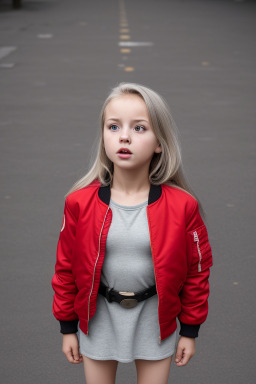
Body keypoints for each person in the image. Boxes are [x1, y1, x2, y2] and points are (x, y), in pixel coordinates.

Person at [51, 82, 213, 384]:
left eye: (139, 128)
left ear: (159, 143)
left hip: (154, 322)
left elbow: (197, 273)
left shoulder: (183, 206)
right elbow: (65, 270)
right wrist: (67, 327)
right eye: (113, 127)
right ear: (103, 137)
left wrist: (190, 330)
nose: (124, 136)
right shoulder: (79, 202)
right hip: (99, 321)